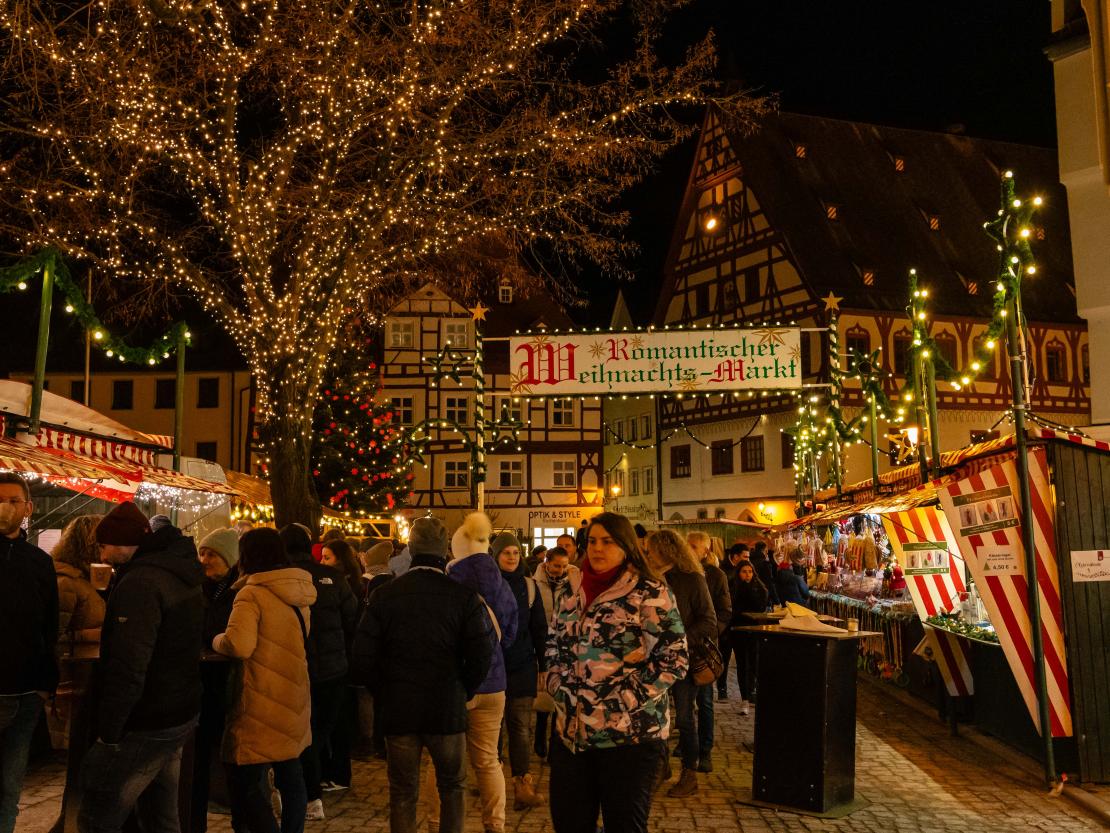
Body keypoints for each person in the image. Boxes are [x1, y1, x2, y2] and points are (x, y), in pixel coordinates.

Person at [546, 512, 688, 833]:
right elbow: (553, 642)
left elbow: (673, 659)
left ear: (625, 546)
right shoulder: (570, 591)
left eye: (608, 542)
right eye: (593, 541)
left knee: (624, 826)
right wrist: (556, 684)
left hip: (629, 739)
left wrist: (621, 701)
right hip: (571, 736)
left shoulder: (649, 593)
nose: (598, 548)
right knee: (568, 823)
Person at [350, 516, 493, 833]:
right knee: (452, 787)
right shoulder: (462, 597)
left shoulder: (385, 595)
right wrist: (463, 688)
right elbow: (482, 653)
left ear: (411, 550)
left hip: (399, 708)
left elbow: (362, 657)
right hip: (446, 706)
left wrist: (383, 691)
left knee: (402, 792)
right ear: (444, 552)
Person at [79, 502, 204, 833]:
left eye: (103, 545)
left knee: (98, 812)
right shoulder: (177, 569)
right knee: (161, 815)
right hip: (178, 710)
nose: (102, 554)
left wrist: (110, 732)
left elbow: (128, 664)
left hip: (146, 719)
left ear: (122, 542)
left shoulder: (142, 582)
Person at [214, 527, 316, 833]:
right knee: (291, 774)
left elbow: (239, 645)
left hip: (259, 696)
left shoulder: (251, 593)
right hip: (293, 693)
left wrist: (217, 639)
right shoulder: (299, 592)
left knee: (247, 781)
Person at [278, 524, 359, 820]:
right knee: (318, 732)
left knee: (301, 735)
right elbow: (353, 621)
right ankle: (312, 795)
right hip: (333, 671)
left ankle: (309, 796)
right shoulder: (336, 579)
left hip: (296, 669)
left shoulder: (280, 580)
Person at [446, 513, 517, 833]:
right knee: (489, 761)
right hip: (494, 682)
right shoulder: (503, 586)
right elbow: (511, 634)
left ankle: (440, 824)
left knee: (445, 764)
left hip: (455, 684)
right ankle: (495, 825)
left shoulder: (448, 585)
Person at [0, 473, 58, 833]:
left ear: (28, 508)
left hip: (25, 694)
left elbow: (48, 624)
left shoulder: (39, 562)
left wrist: (44, 684)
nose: (4, 507)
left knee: (9, 787)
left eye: (12, 501)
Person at [647, 530, 716, 797]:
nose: (647, 554)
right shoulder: (648, 579)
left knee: (684, 718)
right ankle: (660, 767)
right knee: (655, 716)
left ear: (664, 550)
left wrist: (679, 640)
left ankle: (690, 773)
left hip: (684, 660)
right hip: (652, 660)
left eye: (650, 549)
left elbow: (708, 621)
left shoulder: (692, 579)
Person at [492, 532, 548, 810]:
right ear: (496, 555)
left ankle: (521, 785)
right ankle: (492, 782)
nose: (512, 557)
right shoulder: (488, 585)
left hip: (523, 666)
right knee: (493, 729)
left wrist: (544, 665)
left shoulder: (530, 586)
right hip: (492, 668)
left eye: (515, 552)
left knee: (520, 727)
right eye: (506, 553)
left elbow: (540, 629)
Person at [192, 526, 241, 832]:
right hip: (203, 675)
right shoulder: (201, 586)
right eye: (203, 553)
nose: (205, 559)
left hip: (227, 675)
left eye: (211, 554)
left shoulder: (237, 590)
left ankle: (227, 797)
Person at [49, 515, 105, 750]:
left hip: (87, 678)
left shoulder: (90, 579)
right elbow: (52, 636)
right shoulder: (67, 583)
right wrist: (88, 636)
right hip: (71, 680)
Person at [685, 532, 730, 769]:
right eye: (688, 546)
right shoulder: (680, 574)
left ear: (705, 550)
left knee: (704, 701)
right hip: (683, 647)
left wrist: (711, 634)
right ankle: (686, 746)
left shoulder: (716, 575)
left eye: (695, 547)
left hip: (704, 648)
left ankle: (705, 750)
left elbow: (724, 612)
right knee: (684, 702)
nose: (691, 550)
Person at [531, 546, 574, 758]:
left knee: (561, 696)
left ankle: (555, 741)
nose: (561, 570)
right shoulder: (535, 583)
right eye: (557, 565)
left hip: (564, 645)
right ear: (547, 563)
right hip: (541, 643)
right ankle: (540, 735)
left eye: (565, 565)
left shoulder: (573, 584)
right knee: (543, 693)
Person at [728, 562, 769, 716]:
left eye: (750, 571)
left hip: (754, 632)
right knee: (742, 665)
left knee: (755, 663)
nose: (747, 575)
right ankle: (745, 698)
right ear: (738, 573)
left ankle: (755, 693)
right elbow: (733, 608)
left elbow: (760, 606)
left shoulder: (759, 588)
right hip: (739, 632)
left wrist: (750, 591)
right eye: (744, 571)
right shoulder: (734, 587)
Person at [750, 542, 779, 608]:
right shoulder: (765, 564)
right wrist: (777, 600)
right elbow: (769, 583)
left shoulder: (750, 561)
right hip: (764, 597)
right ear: (764, 550)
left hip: (752, 596)